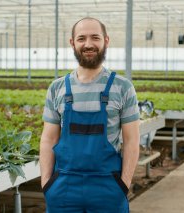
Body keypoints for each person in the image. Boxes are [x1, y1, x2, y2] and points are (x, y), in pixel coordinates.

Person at [40, 17, 140, 213]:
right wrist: (46, 184)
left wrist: (123, 185)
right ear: (72, 43)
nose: (88, 44)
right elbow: (48, 138)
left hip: (108, 187)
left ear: (106, 41)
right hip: (63, 187)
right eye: (81, 38)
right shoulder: (57, 88)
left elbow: (132, 140)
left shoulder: (123, 87)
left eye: (95, 37)